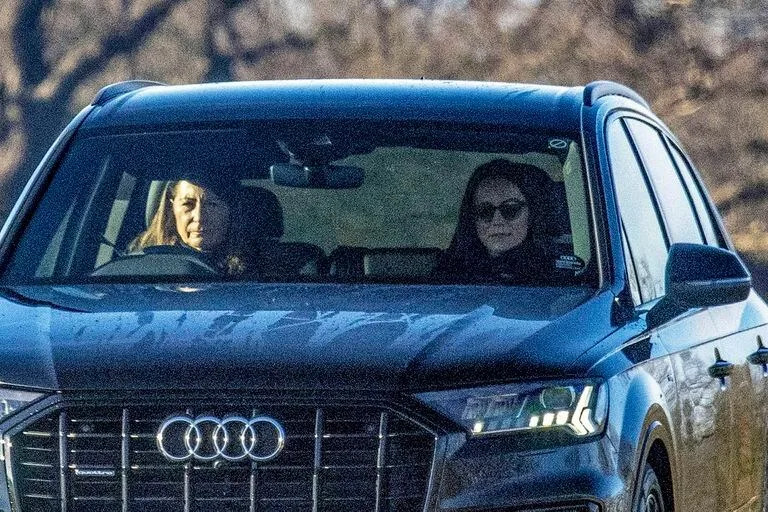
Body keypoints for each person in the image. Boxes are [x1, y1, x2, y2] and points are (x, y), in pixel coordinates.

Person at [435, 158, 554, 284]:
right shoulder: (448, 274)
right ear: (472, 219)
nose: (497, 221)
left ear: (533, 214)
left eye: (511, 209)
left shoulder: (556, 275)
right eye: (485, 211)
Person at [129, 178, 256, 275]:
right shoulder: (141, 260)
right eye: (188, 204)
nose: (199, 217)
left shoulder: (263, 266)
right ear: (171, 207)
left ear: (230, 211)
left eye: (212, 205)